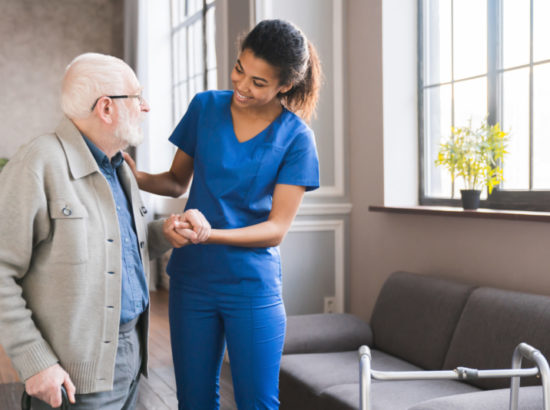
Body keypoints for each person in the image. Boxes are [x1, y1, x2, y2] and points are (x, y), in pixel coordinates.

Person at [125, 19, 321, 409]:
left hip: (251, 287)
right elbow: (177, 182)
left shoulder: (297, 138)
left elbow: (275, 229)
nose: (242, 86)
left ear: (284, 85)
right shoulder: (205, 107)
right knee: (194, 402)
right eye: (239, 69)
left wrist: (207, 234)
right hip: (191, 281)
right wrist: (135, 175)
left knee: (256, 403)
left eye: (259, 82)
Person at [0, 53, 210, 409]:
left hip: (131, 356)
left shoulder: (120, 168)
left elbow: (116, 245)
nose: (145, 107)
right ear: (106, 108)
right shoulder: (37, 163)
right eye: (136, 96)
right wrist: (36, 362)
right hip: (70, 378)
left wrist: (164, 231)